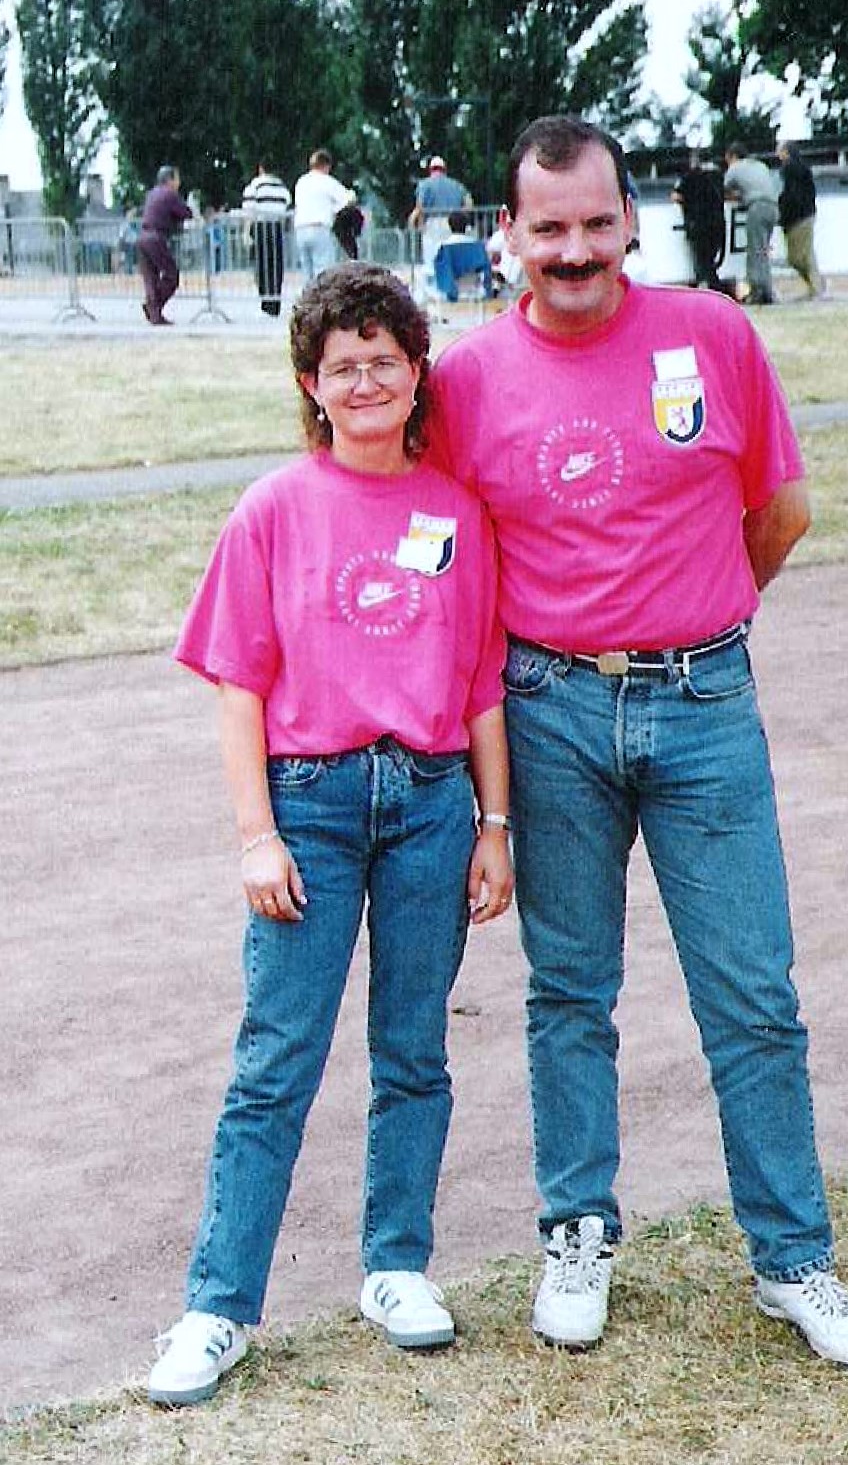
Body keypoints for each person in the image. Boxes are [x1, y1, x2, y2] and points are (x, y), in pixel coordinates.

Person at [428, 114, 848, 1371]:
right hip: (548, 712)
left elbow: (780, 511)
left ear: (630, 219)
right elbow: (444, 555)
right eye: (548, 229)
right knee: (569, 992)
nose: (574, 251)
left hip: (704, 708)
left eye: (595, 224)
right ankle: (577, 1230)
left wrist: (691, 626)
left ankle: (792, 1258)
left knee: (751, 993)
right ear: (508, 236)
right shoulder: (466, 381)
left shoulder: (714, 335)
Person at [147, 263, 514, 1407]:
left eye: (384, 361)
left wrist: (493, 823)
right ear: (313, 384)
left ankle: (396, 1264)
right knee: (276, 1060)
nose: (363, 380)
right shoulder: (272, 509)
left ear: (416, 376)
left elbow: (483, 684)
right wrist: (256, 835)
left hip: (429, 803)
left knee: (414, 1050)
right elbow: (238, 686)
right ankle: (218, 1306)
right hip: (309, 801)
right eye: (340, 364)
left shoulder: (454, 513)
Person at [136, 165, 193, 325]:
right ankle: (153, 307)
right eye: (177, 178)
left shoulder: (151, 194)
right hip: (156, 237)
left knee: (150, 278)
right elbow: (185, 212)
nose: (178, 183)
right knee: (171, 275)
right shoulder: (170, 194)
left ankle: (155, 314)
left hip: (142, 237)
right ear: (170, 180)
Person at [724, 141, 779, 304]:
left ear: (733, 156)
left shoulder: (735, 168)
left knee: (755, 251)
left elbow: (723, 189)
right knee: (763, 251)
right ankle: (767, 290)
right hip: (773, 208)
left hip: (757, 207)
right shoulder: (761, 166)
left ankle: (757, 292)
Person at [293, 149, 355, 283]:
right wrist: (335, 209)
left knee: (307, 274)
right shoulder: (327, 181)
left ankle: (307, 302)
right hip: (319, 229)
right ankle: (322, 302)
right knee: (323, 273)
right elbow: (347, 198)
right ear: (326, 165)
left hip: (300, 229)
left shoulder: (301, 182)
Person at [671, 150, 728, 291]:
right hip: (718, 221)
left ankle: (711, 287)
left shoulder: (691, 176)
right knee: (711, 258)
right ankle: (713, 286)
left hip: (698, 223)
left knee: (702, 261)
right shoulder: (718, 176)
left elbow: (676, 196)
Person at [241, 161, 291, 317]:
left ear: (260, 168)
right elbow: (287, 206)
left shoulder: (255, 185)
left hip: (260, 227)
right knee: (276, 267)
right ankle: (275, 304)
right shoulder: (282, 188)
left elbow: (249, 210)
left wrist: (246, 232)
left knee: (262, 266)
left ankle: (265, 303)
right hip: (276, 227)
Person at [408, 155, 473, 273]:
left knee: (432, 259)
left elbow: (420, 206)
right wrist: (461, 216)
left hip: (433, 224)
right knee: (450, 258)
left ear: (431, 170)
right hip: (452, 223)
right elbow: (469, 204)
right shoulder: (457, 185)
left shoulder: (425, 184)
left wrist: (419, 224)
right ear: (444, 170)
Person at [777, 141, 826, 299]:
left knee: (799, 257)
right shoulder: (804, 169)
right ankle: (815, 285)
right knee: (803, 255)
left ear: (786, 152)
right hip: (806, 214)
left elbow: (788, 194)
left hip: (797, 217)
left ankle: (816, 287)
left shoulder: (788, 170)